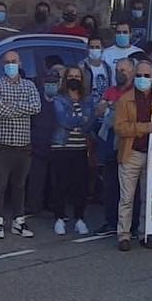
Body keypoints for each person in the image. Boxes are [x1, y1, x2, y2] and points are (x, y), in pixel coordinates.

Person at [112, 61, 152, 253]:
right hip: (131, 153)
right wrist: (144, 127)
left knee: (149, 197)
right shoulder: (125, 99)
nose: (142, 79)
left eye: (147, 76)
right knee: (127, 198)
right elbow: (120, 127)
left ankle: (145, 233)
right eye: (139, 75)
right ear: (134, 76)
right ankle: (124, 235)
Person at [0, 49, 41, 239]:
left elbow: (36, 107)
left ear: (20, 63)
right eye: (7, 61)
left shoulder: (29, 86)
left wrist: (12, 105)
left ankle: (19, 221)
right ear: (3, 65)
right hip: (2, 145)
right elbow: (0, 109)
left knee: (19, 185)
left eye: (14, 61)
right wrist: (20, 106)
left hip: (23, 145)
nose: (11, 64)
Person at [47, 66, 95, 237]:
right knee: (60, 184)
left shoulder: (88, 100)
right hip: (62, 146)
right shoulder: (59, 99)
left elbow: (90, 123)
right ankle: (59, 218)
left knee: (80, 186)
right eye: (71, 76)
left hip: (81, 147)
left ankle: (80, 219)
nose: (74, 79)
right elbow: (63, 121)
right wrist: (81, 119)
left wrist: (80, 120)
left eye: (77, 76)